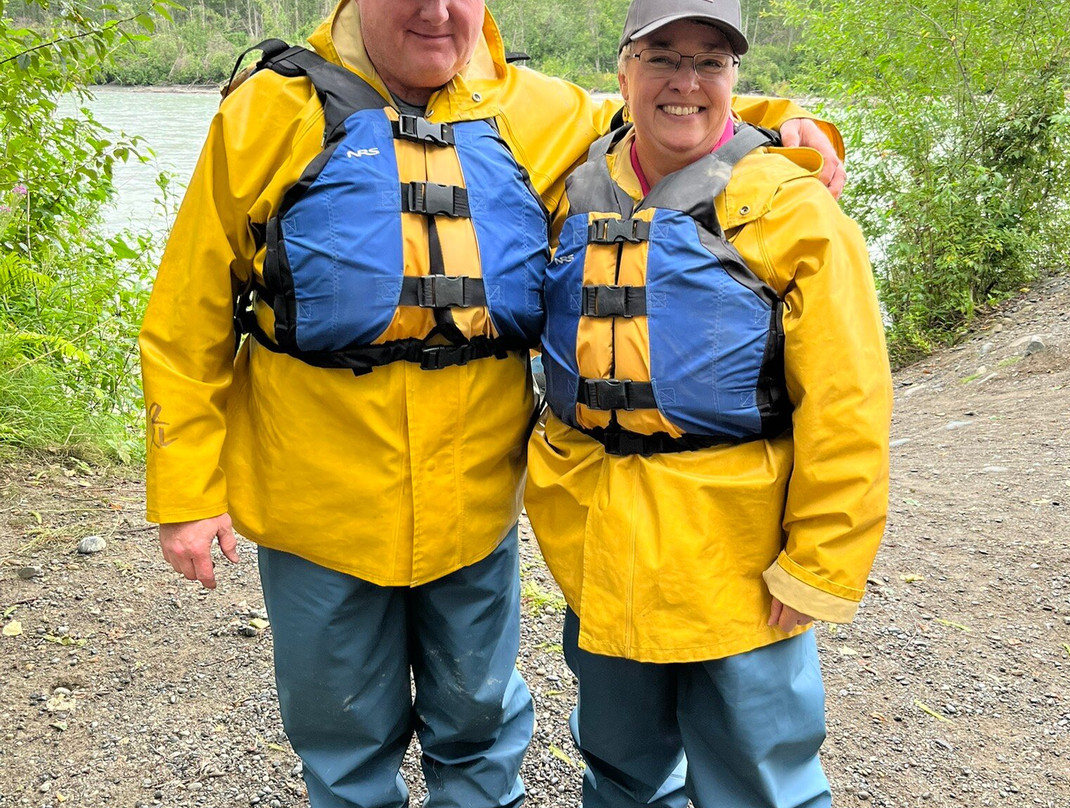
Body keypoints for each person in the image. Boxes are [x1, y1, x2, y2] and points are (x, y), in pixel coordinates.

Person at [139, 0, 848, 806]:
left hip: (474, 504)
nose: (438, 12)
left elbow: (669, 107)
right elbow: (188, 314)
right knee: (339, 734)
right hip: (314, 505)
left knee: (477, 720)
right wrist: (186, 492)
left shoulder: (536, 111)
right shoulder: (266, 112)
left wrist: (790, 121)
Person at [525, 1, 893, 807]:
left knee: (759, 781)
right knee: (621, 771)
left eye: (710, 62)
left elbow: (848, 400)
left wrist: (818, 565)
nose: (685, 81)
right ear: (623, 71)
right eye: (662, 57)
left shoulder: (792, 207)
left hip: (735, 560)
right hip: (601, 542)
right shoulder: (571, 186)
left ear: (734, 77)